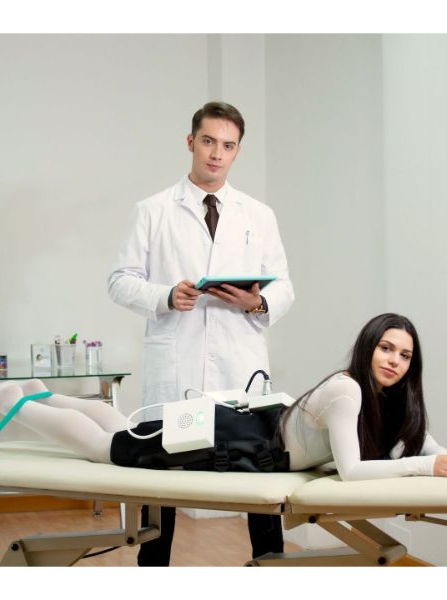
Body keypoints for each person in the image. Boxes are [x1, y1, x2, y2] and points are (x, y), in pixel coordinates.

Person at [0, 313, 447, 560]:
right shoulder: (348, 391)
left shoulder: (387, 399)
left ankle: (43, 395)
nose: (394, 360)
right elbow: (353, 471)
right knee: (111, 449)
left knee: (129, 430)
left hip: (249, 431)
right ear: (367, 347)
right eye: (386, 348)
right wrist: (426, 467)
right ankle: (13, 404)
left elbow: (422, 439)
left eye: (404, 355)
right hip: (236, 443)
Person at [106, 101, 295, 564]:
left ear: (237, 151)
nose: (216, 154)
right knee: (163, 479)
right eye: (208, 141)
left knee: (259, 469)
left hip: (240, 364)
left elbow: (284, 286)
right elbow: (120, 281)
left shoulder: (259, 215)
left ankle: (271, 572)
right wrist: (166, 296)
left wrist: (256, 302)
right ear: (191, 142)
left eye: (227, 146)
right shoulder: (152, 210)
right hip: (178, 365)